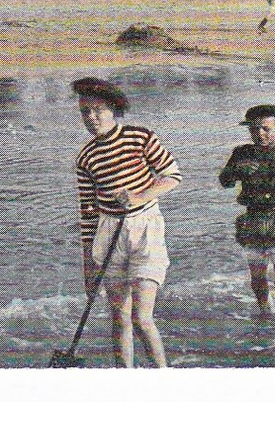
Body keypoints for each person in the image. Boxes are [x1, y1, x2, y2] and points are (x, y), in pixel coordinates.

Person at [72, 76, 181, 368]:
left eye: (98, 110)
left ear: (113, 108)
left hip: (145, 227)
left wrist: (139, 195)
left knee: (141, 318)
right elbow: (87, 214)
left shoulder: (140, 136)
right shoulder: (85, 158)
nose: (92, 118)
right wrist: (88, 268)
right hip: (109, 233)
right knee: (119, 318)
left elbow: (173, 176)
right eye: (85, 112)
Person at [219, 104, 275, 321]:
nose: (260, 134)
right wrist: (238, 169)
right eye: (254, 129)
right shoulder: (241, 153)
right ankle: (265, 315)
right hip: (253, 221)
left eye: (266, 129)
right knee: (257, 281)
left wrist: (272, 167)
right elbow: (225, 181)